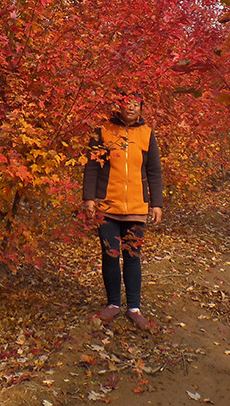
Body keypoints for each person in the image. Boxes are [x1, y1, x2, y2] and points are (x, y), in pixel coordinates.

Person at [82, 90, 163, 329]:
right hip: (107, 206)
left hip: (137, 206)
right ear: (118, 105)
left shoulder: (147, 134)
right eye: (127, 103)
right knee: (110, 255)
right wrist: (89, 198)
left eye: (136, 104)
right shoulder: (104, 131)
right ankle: (113, 304)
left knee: (133, 257)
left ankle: (134, 308)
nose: (131, 107)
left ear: (141, 108)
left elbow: (155, 171)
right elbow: (91, 167)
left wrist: (156, 204)